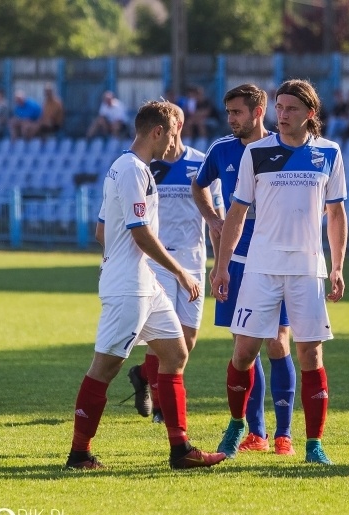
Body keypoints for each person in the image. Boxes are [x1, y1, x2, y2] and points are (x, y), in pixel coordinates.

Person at [65, 100, 225, 470]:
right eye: (172, 134)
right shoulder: (134, 169)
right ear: (157, 132)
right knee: (104, 367)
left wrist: (121, 259)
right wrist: (181, 272)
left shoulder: (132, 169)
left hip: (143, 283)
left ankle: (181, 449)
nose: (174, 142)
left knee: (175, 354)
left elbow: (103, 231)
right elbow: (140, 233)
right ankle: (79, 454)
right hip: (131, 287)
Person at [211, 79, 347, 465]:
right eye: (280, 108)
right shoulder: (257, 153)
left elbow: (336, 214)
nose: (282, 115)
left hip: (307, 270)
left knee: (310, 354)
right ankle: (239, 425)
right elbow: (236, 214)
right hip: (260, 268)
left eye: (291, 109)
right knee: (243, 352)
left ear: (310, 114)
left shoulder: (329, 154)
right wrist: (222, 266)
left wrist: (336, 266)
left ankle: (313, 444)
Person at [192, 84, 298, 456]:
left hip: (277, 261)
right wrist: (212, 218)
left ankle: (284, 434)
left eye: (237, 112)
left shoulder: (281, 148)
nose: (231, 120)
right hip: (237, 262)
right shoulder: (221, 149)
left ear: (258, 111)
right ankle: (256, 432)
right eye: (229, 113)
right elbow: (199, 184)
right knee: (244, 349)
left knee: (278, 341)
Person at [125, 103, 223, 424]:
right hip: (158, 262)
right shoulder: (145, 168)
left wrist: (221, 263)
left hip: (193, 261)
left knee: (188, 339)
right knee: (165, 338)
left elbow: (217, 220)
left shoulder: (202, 164)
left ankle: (142, 375)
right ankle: (164, 410)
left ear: (178, 126)